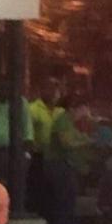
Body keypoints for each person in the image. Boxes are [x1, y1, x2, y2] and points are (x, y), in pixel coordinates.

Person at [43, 97, 92, 224]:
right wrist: (84, 143)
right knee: (63, 196)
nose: (86, 113)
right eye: (83, 110)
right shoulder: (63, 120)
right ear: (74, 108)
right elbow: (66, 142)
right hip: (57, 164)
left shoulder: (70, 123)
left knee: (68, 196)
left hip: (66, 165)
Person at [28, 79, 64, 216]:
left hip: (57, 157)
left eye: (56, 90)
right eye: (50, 89)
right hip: (38, 157)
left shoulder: (61, 112)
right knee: (39, 189)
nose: (54, 93)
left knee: (54, 191)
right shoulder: (33, 109)